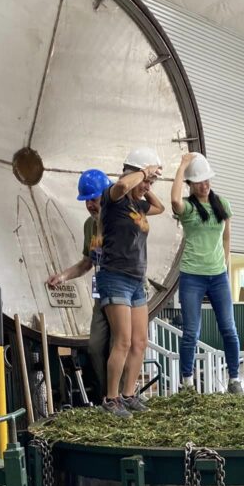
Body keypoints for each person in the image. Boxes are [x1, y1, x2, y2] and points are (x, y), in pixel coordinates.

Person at [97, 147, 165, 417]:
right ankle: (110, 399)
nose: (146, 186)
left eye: (150, 183)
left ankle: (128, 394)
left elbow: (159, 207)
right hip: (115, 276)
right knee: (122, 340)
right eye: (144, 180)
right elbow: (123, 184)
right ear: (132, 172)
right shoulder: (113, 198)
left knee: (140, 341)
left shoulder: (139, 203)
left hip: (137, 279)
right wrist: (141, 174)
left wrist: (147, 185)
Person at [171, 152, 243, 394]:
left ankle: (234, 379)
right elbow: (173, 201)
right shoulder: (188, 208)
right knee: (191, 331)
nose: (205, 185)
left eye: (207, 180)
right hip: (192, 274)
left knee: (229, 329)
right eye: (199, 181)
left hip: (218, 274)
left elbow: (227, 236)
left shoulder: (222, 204)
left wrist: (225, 262)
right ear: (190, 184)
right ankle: (187, 383)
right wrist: (182, 166)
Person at [47, 168, 112, 399]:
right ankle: (107, 398)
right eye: (86, 202)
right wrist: (63, 276)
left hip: (122, 293)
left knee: (118, 348)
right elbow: (87, 262)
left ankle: (121, 396)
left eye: (93, 199)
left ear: (106, 195)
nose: (90, 206)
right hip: (101, 293)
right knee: (95, 348)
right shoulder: (89, 225)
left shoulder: (120, 220)